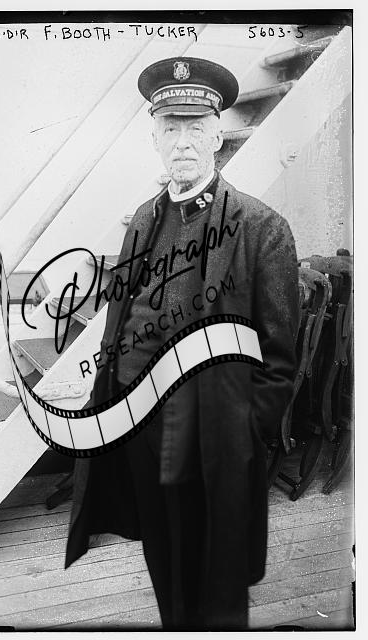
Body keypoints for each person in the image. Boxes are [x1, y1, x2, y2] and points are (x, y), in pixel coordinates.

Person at [63, 56, 300, 630]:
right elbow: (120, 322)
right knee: (165, 563)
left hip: (216, 437)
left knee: (218, 584)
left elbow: (279, 360)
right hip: (142, 432)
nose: (183, 142)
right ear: (155, 138)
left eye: (196, 128)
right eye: (171, 128)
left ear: (218, 135)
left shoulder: (261, 228)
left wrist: (242, 433)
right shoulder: (143, 221)